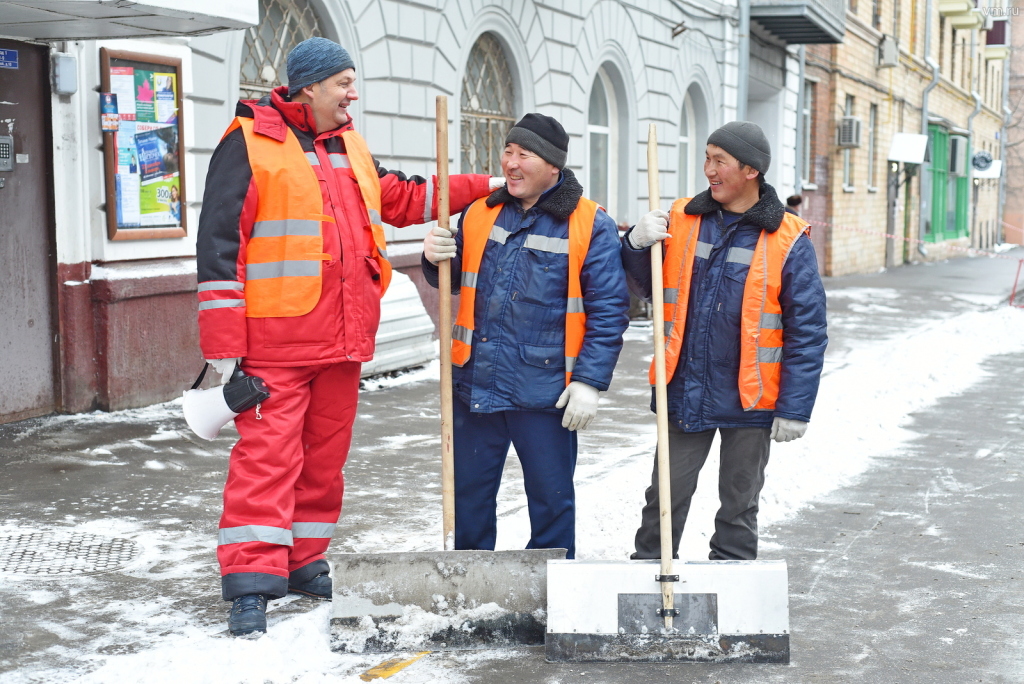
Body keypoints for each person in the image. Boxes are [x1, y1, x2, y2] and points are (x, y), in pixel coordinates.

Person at [195, 36, 501, 636]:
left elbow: (405, 198)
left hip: (343, 342)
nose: (352, 94)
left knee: (323, 464)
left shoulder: (350, 145)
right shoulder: (248, 142)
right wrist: (223, 344)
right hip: (274, 346)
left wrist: (491, 183)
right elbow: (219, 247)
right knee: (266, 462)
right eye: (343, 84)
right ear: (309, 86)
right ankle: (253, 581)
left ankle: (304, 563)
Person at [421, 113, 630, 560]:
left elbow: (610, 310)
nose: (511, 164)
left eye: (525, 155)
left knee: (551, 502)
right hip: (475, 382)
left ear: (553, 166)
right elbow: (456, 279)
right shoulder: (480, 212)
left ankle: (551, 592)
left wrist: (589, 381)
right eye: (508, 152)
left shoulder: (589, 223)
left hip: (546, 390)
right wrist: (432, 258)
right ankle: (469, 586)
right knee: (469, 498)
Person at [621, 120, 827, 562]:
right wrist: (635, 246)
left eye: (720, 161)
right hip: (685, 388)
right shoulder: (682, 219)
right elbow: (646, 286)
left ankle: (734, 587)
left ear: (751, 171)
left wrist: (795, 407)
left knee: (739, 506)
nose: (708, 169)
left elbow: (807, 331)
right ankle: (646, 582)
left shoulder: (787, 238)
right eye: (707, 158)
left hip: (750, 398)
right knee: (663, 501)